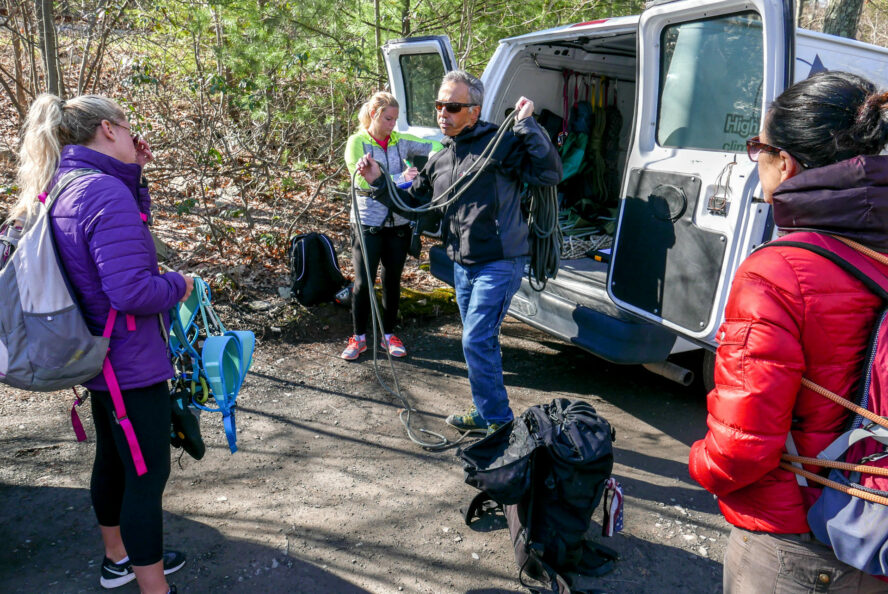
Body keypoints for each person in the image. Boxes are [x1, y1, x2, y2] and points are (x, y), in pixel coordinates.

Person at [688, 71, 888, 592]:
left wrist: (701, 464)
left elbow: (742, 447)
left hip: (797, 541)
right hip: (877, 531)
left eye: (759, 146)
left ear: (786, 162)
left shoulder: (777, 272)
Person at [9, 94, 194, 594]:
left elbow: (116, 244)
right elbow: (133, 290)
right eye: (127, 125)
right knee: (145, 475)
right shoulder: (104, 194)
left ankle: (117, 559)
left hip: (97, 357)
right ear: (109, 129)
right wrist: (182, 283)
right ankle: (155, 588)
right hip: (130, 363)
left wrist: (137, 174)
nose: (134, 134)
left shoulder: (66, 183)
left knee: (114, 461)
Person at [356, 70, 562, 434]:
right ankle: (487, 408)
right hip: (463, 265)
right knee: (480, 341)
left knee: (476, 338)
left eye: (452, 106)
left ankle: (497, 419)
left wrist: (529, 125)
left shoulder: (502, 143)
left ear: (474, 111)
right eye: (439, 105)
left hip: (499, 260)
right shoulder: (440, 159)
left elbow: (548, 173)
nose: (442, 113)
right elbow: (413, 204)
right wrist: (378, 183)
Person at [341, 91, 441, 361]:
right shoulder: (357, 142)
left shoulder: (399, 141)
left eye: (395, 119)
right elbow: (360, 180)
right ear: (374, 115)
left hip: (399, 224)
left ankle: (388, 335)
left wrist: (427, 171)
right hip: (367, 222)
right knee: (363, 283)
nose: (392, 124)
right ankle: (358, 337)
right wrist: (399, 177)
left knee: (392, 281)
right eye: (388, 118)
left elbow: (437, 146)